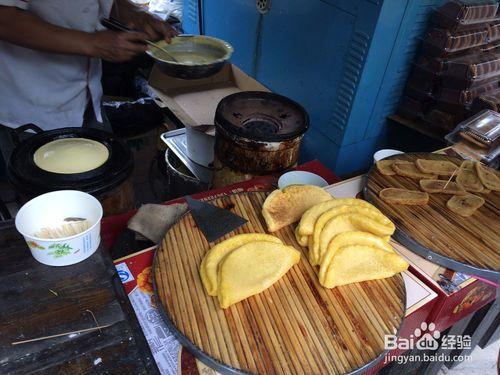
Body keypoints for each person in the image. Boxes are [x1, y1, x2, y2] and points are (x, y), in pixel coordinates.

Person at [0, 0, 177, 164]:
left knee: (105, 186)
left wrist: (137, 15)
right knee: (54, 195)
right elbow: (5, 18)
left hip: (89, 99)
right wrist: (91, 43)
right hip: (33, 108)